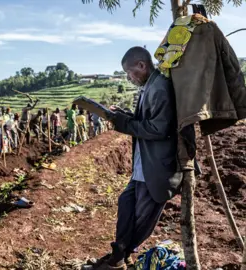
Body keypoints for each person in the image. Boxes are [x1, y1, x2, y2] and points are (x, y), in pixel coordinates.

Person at [88, 47, 181, 270]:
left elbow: (158, 129)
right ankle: (119, 254)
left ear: (141, 65)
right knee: (126, 203)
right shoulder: (150, 86)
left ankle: (120, 258)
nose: (129, 78)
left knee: (141, 218)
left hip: (156, 166)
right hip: (144, 164)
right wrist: (124, 116)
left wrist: (123, 123)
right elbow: (146, 121)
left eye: (130, 73)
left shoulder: (159, 87)